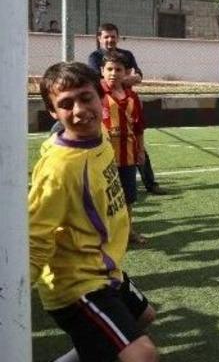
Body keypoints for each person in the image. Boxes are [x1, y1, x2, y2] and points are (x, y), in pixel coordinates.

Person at [30, 62, 158, 362]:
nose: (79, 110)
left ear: (99, 96)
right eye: (66, 104)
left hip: (104, 268)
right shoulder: (60, 169)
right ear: (53, 113)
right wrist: (13, 290)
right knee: (142, 354)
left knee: (144, 317)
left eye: (86, 97)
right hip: (76, 284)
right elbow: (35, 236)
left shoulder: (99, 133)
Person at [87, 23, 166, 196]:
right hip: (107, 105)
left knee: (137, 146)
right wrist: (124, 78)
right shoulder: (94, 57)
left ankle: (150, 184)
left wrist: (124, 80)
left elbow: (139, 75)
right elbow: (98, 81)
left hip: (126, 102)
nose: (110, 40)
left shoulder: (127, 54)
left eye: (113, 36)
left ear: (118, 37)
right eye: (106, 36)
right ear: (99, 38)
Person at [100, 51, 148, 246]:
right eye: (109, 69)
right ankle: (103, 234)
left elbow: (138, 127)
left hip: (127, 156)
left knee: (127, 197)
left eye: (118, 69)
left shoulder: (132, 97)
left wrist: (141, 150)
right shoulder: (96, 93)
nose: (113, 73)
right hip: (102, 157)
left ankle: (128, 231)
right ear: (101, 71)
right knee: (102, 197)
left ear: (126, 72)